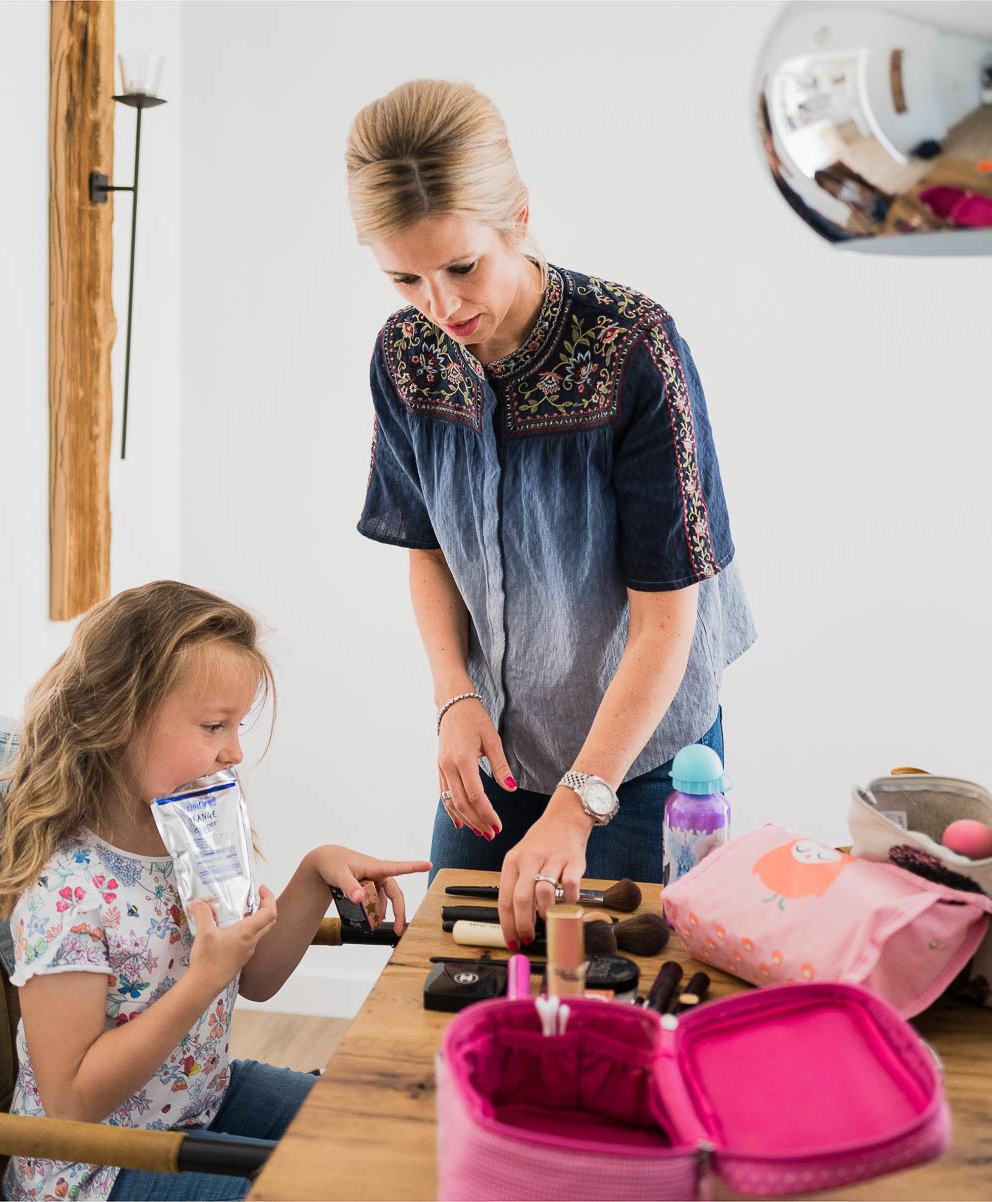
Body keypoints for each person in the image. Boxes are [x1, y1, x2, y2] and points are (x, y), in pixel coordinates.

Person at [345, 80, 756, 950]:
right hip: (496, 740)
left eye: (461, 267)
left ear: (519, 216)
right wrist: (453, 695)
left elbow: (665, 620)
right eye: (404, 277)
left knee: (623, 997)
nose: (440, 305)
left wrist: (580, 804)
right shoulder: (406, 356)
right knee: (453, 983)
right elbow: (422, 543)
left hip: (642, 758)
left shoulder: (633, 349)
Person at [0, 580, 430, 1201]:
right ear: (121, 718)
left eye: (238, 724)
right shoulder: (66, 892)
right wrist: (201, 980)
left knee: (390, 1127)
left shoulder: (196, 835)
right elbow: (71, 1102)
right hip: (94, 1170)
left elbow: (254, 978)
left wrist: (313, 873)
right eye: (214, 726)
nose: (236, 750)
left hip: (203, 1102)